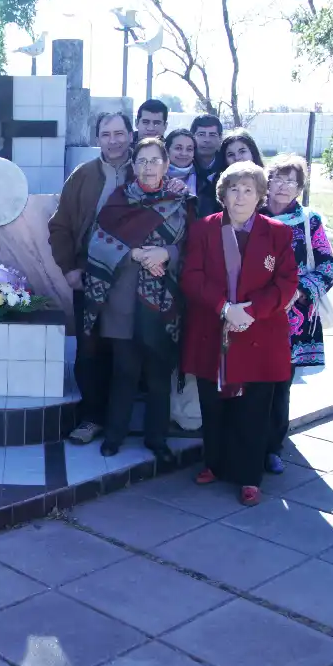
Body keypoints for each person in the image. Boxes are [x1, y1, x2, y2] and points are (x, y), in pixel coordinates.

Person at [180, 161, 299, 507]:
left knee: (253, 410)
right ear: (223, 194)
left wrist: (250, 311)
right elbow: (192, 277)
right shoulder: (204, 229)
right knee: (213, 404)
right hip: (212, 329)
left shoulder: (278, 233)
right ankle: (213, 463)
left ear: (260, 195)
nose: (241, 196)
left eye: (249, 190)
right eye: (234, 189)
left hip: (258, 332)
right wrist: (223, 307)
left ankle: (249, 477)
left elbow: (287, 283)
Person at [83, 137, 194, 463]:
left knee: (159, 377)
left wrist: (167, 253)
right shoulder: (119, 200)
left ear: (166, 164)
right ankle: (114, 437)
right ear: (133, 166)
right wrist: (132, 253)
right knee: (124, 372)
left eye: (155, 160)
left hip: (164, 304)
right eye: (142, 161)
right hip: (123, 303)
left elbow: (194, 246)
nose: (148, 167)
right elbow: (96, 242)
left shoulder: (182, 201)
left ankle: (157, 440)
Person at [48, 112, 133, 445]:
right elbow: (60, 226)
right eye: (106, 134)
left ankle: (120, 421)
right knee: (90, 350)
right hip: (89, 277)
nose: (113, 140)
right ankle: (92, 417)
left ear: (130, 135)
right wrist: (69, 268)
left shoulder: (145, 171)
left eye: (119, 133)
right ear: (98, 139)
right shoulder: (83, 176)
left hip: (132, 282)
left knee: (125, 352)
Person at [263, 155, 333, 473]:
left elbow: (328, 268)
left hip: (293, 318)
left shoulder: (309, 221)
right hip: (255, 313)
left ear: (300, 188)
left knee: (281, 385)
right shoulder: (251, 214)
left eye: (291, 181)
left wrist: (299, 291)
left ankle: (272, 448)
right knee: (249, 383)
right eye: (277, 179)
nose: (283, 187)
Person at [191, 114, 224, 217]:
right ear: (192, 137)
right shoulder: (184, 165)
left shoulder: (226, 167)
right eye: (201, 134)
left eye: (212, 135)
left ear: (220, 138)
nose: (207, 140)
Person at [165, 128, 198, 195]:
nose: (184, 153)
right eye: (178, 148)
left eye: (189, 149)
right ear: (167, 150)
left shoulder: (203, 179)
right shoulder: (155, 177)